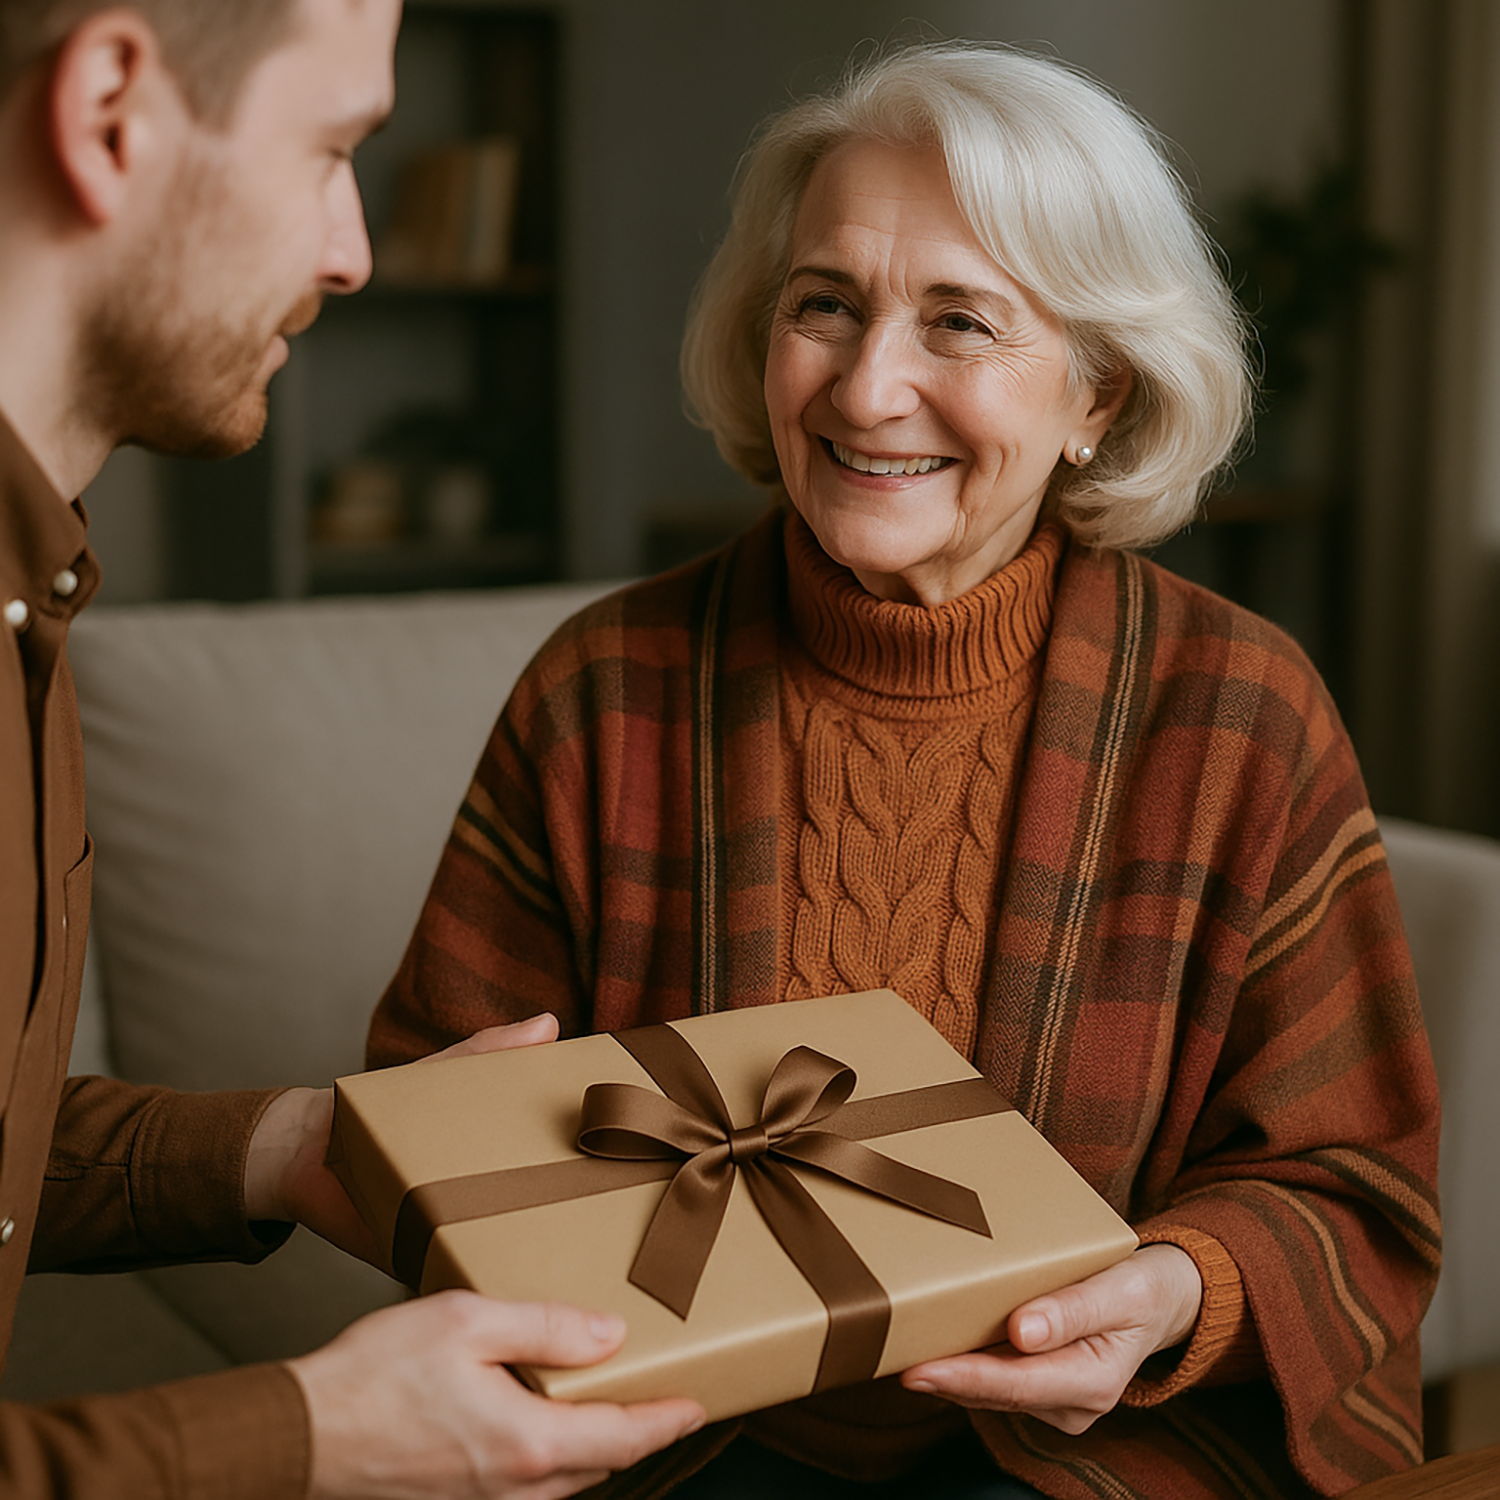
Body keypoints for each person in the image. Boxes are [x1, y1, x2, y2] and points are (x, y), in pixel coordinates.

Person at [369, 41, 1443, 1500]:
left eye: (960, 323)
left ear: (1099, 398)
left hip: (1093, 1455)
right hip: (681, 1449)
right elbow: (431, 1113)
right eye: (825, 304)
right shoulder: (600, 688)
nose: (871, 388)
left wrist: (1180, 1293)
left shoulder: (1240, 714)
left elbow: (1352, 1176)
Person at [0, 1, 707, 1494]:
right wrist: (314, 1436)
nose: (354, 251)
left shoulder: (32, 596)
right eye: (331, 149)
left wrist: (305, 1145)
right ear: (111, 111)